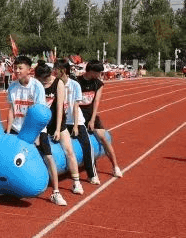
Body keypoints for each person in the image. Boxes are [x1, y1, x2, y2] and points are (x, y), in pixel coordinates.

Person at [5, 56, 66, 205]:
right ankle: (2, 186)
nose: (17, 71)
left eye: (20, 68)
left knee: (48, 157)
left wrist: (37, 134)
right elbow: (11, 110)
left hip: (35, 128)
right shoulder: (12, 86)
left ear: (29, 70)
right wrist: (7, 132)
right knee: (7, 155)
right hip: (17, 128)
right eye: (15, 68)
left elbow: (40, 111)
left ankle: (56, 192)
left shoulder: (37, 86)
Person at [36, 61, 84, 199]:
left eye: (45, 79)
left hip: (57, 122)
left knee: (69, 150)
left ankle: (76, 182)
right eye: (41, 80)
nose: (44, 82)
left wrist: (57, 129)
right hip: (41, 123)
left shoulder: (58, 83)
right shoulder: (37, 84)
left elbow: (59, 108)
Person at [78, 60, 123, 182]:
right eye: (98, 72)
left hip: (90, 115)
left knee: (103, 137)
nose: (100, 75)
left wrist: (92, 120)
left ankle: (115, 166)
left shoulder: (98, 84)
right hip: (77, 116)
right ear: (91, 71)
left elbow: (96, 102)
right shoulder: (77, 81)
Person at [56, 58, 90, 191]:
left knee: (85, 145)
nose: (54, 71)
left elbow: (76, 107)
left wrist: (76, 126)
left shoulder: (75, 85)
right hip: (61, 122)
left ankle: (90, 175)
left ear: (63, 70)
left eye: (56, 69)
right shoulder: (55, 83)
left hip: (75, 120)